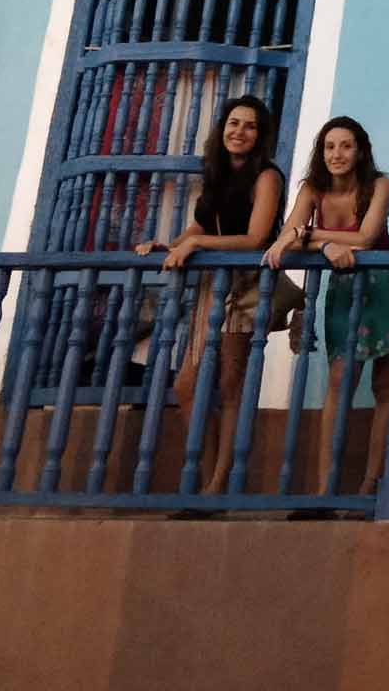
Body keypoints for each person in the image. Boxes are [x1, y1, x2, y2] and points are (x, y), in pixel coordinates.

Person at [136, 93, 284, 496]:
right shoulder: (217, 173)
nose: (240, 132)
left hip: (244, 286)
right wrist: (169, 245)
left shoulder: (267, 177)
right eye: (234, 123)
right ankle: (208, 478)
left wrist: (198, 244)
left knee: (230, 385)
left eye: (250, 126)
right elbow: (201, 225)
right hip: (212, 287)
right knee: (186, 386)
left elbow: (256, 238)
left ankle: (219, 484)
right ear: (222, 129)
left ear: (261, 135)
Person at [264, 115, 389, 497]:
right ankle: (325, 489)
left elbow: (365, 238)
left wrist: (306, 234)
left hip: (388, 285)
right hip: (345, 287)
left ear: (360, 152)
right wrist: (324, 245)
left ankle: (370, 483)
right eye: (329, 146)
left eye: (345, 146)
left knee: (386, 386)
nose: (336, 154)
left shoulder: (379, 184)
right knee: (339, 382)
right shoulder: (313, 189)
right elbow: (285, 237)